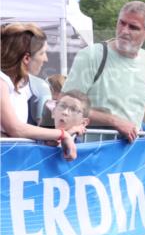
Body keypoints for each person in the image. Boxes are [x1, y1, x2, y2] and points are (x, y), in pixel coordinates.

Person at [62, 1, 145, 146]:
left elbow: (140, 105)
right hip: (89, 152)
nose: (124, 30)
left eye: (133, 27)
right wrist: (114, 121)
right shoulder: (91, 55)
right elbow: (66, 105)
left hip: (129, 157)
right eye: (121, 23)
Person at [1, 23, 85, 159]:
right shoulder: (1, 82)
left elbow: (22, 132)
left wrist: (63, 134)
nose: (45, 59)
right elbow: (16, 129)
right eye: (42, 53)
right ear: (26, 58)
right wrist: (62, 134)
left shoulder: (21, 87)